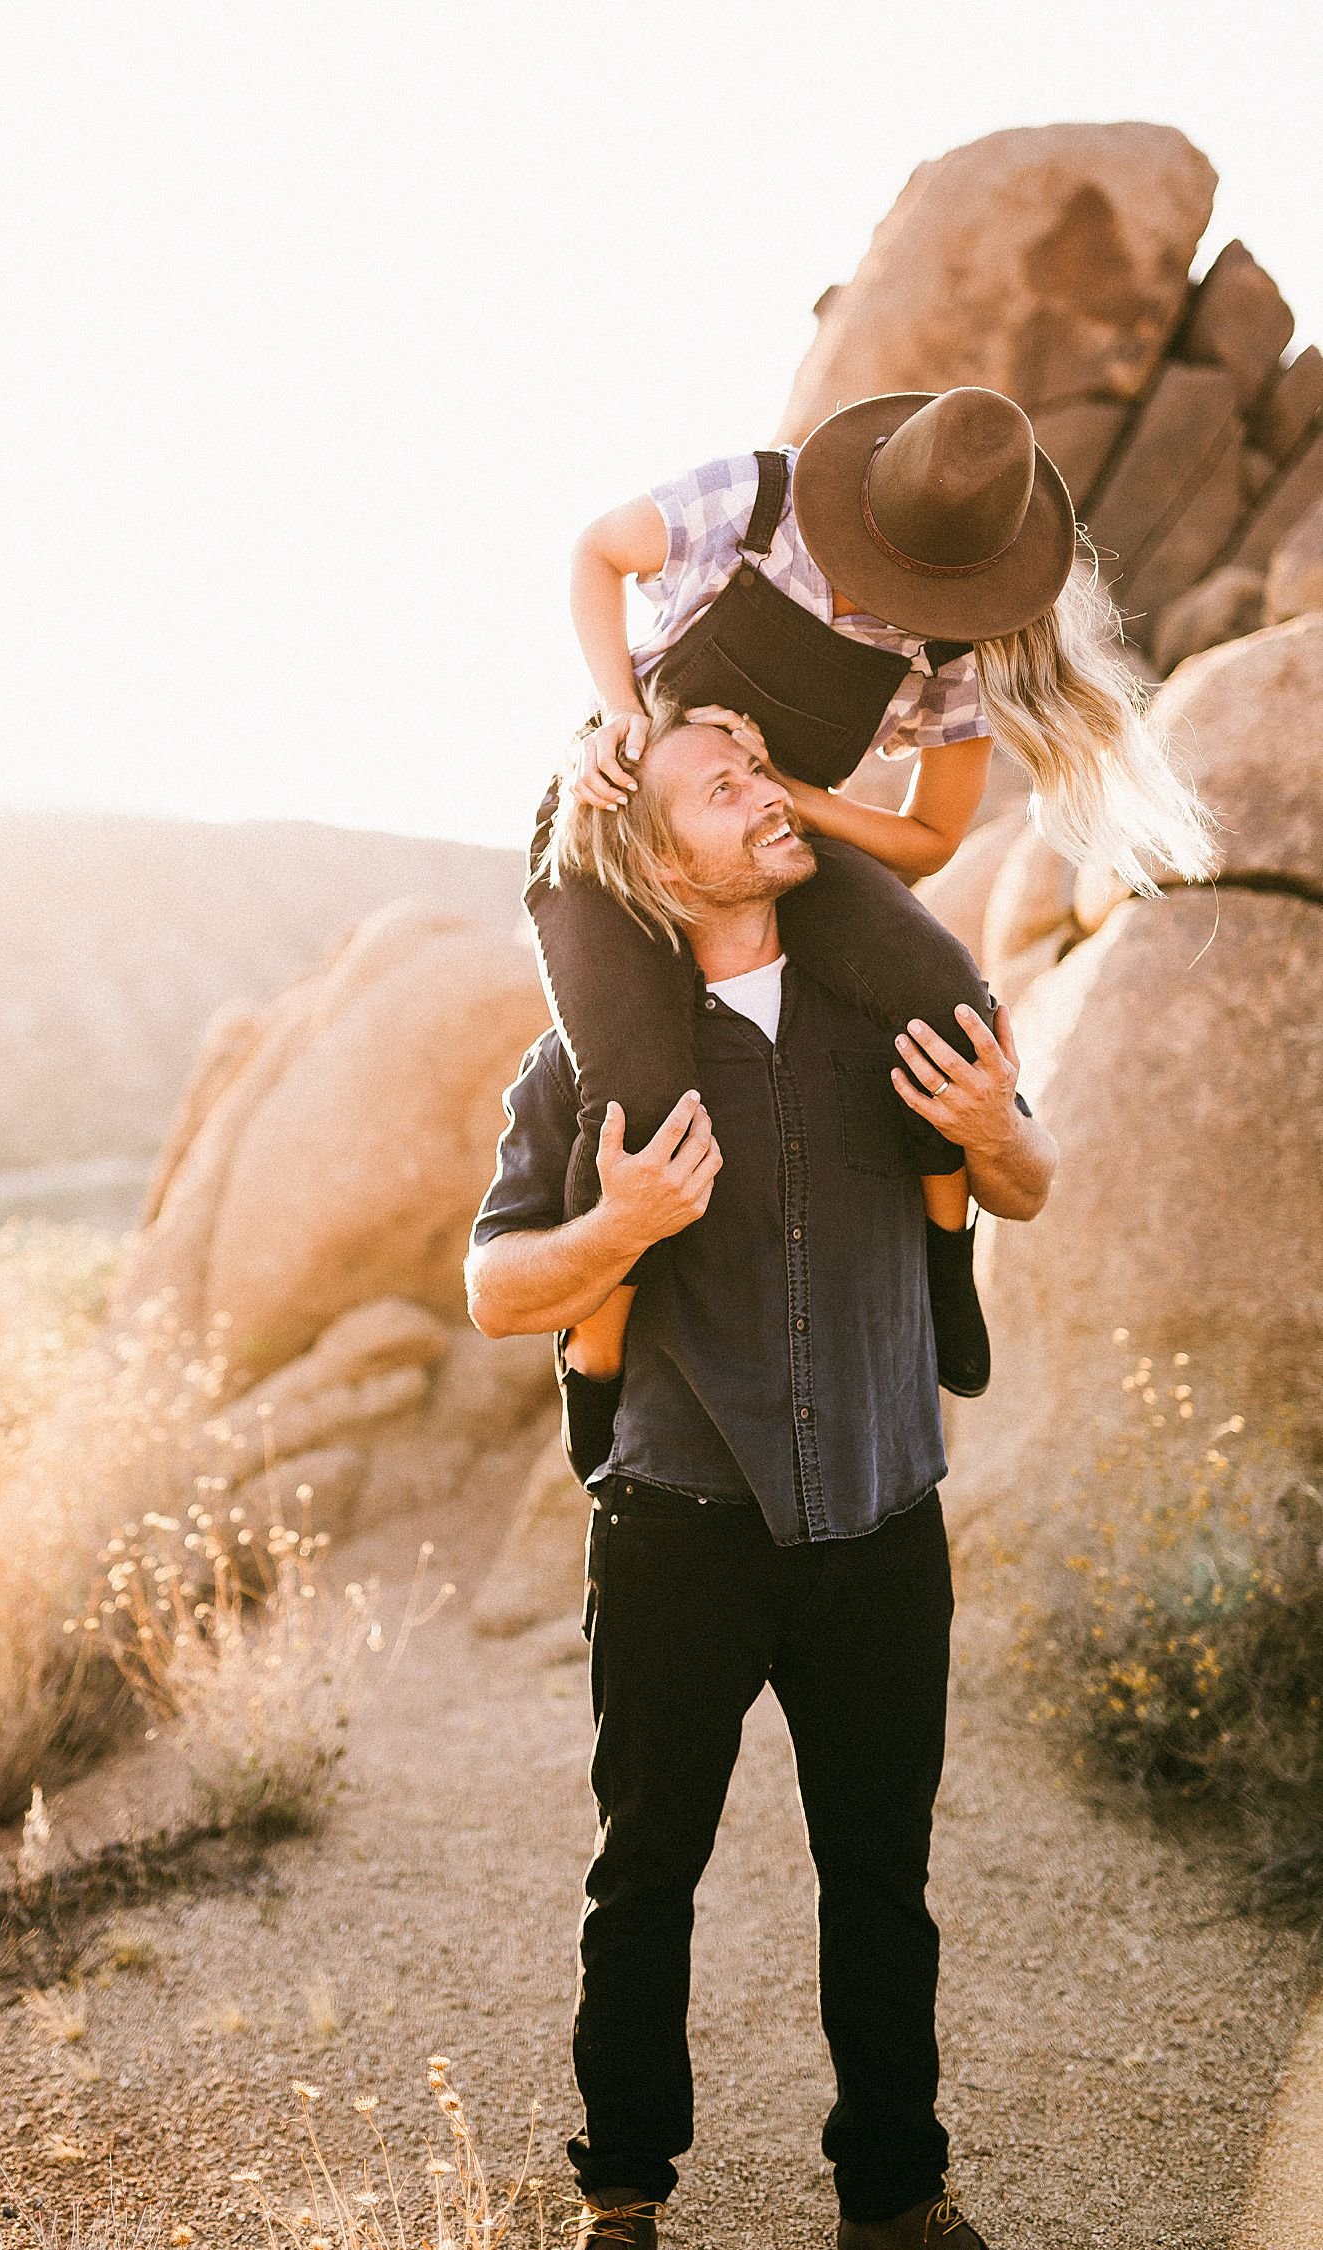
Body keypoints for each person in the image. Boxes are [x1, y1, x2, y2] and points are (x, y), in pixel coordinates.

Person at [466, 711, 1059, 2249]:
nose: (772, 797)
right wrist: (619, 1226)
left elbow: (1031, 1181)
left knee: (882, 1876)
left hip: (884, 1516)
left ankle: (895, 2190)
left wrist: (997, 1129)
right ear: (662, 862)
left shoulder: (890, 1015)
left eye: (760, 770)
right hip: (679, 1528)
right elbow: (495, 1290)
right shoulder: (587, 1068)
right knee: (644, 1873)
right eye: (724, 789)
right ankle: (624, 2188)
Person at [525, 384, 1214, 1400]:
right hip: (619, 804)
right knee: (637, 1091)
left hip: (780, 832)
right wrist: (619, 719)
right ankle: (597, 1358)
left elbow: (931, 836)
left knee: (947, 1000)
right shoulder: (758, 505)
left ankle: (945, 1259)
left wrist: (795, 796)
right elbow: (595, 550)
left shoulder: (957, 643)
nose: (904, 608)